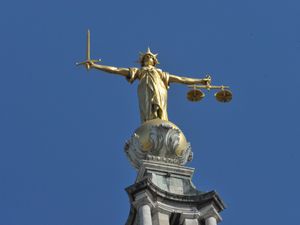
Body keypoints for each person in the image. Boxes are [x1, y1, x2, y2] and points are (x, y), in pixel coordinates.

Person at [86, 48, 210, 123]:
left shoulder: (160, 73)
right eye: (146, 57)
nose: (148, 58)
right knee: (147, 110)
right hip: (144, 91)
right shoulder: (139, 71)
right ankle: (150, 121)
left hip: (160, 91)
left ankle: (160, 119)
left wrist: (200, 81)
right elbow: (116, 70)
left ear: (154, 61)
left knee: (160, 109)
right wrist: (95, 66)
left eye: (150, 57)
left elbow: (181, 79)